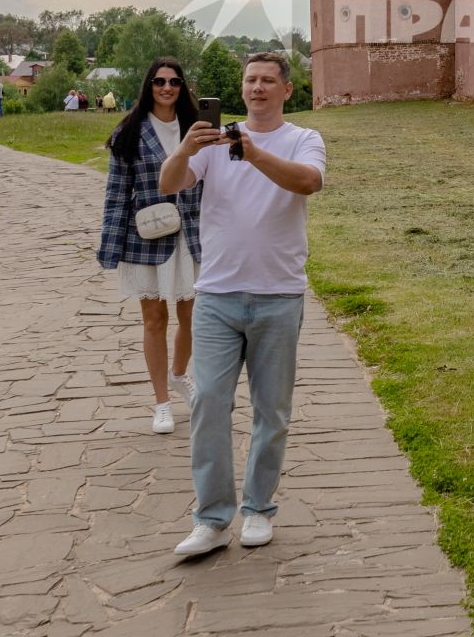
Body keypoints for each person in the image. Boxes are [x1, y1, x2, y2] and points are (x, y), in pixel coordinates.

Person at [161, 52, 324, 555]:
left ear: (287, 90)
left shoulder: (303, 139)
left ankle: (258, 509)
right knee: (208, 403)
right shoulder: (213, 140)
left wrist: (252, 153)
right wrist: (185, 150)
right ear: (242, 87)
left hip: (278, 295)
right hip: (217, 295)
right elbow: (169, 185)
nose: (257, 88)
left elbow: (308, 182)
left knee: (270, 411)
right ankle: (211, 519)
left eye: (268, 81)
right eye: (251, 80)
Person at [96, 57, 203, 436]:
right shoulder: (130, 131)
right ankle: (161, 403)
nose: (167, 88)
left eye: (174, 81)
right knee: (154, 320)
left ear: (182, 86)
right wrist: (111, 245)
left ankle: (179, 375)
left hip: (192, 234)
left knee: (193, 317)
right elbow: (116, 192)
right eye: (159, 81)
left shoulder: (197, 127)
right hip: (148, 237)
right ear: (148, 86)